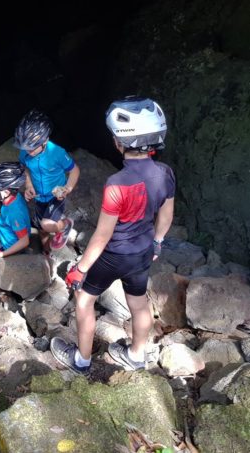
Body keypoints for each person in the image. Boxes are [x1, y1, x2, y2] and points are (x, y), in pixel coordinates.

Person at [50, 97, 175, 374]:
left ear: (120, 142)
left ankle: (81, 361)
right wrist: (157, 242)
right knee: (139, 303)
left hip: (113, 255)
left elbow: (102, 235)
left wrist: (79, 269)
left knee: (84, 299)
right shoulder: (165, 173)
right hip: (142, 252)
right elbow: (166, 215)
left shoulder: (117, 183)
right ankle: (136, 355)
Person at [14, 109, 80, 252]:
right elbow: (24, 167)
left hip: (56, 195)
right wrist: (29, 185)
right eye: (26, 148)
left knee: (46, 224)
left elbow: (74, 170)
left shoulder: (57, 153)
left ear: (45, 140)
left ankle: (65, 224)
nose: (28, 152)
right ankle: (46, 252)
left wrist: (67, 189)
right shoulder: (25, 152)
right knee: (41, 230)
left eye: (32, 148)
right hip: (39, 197)